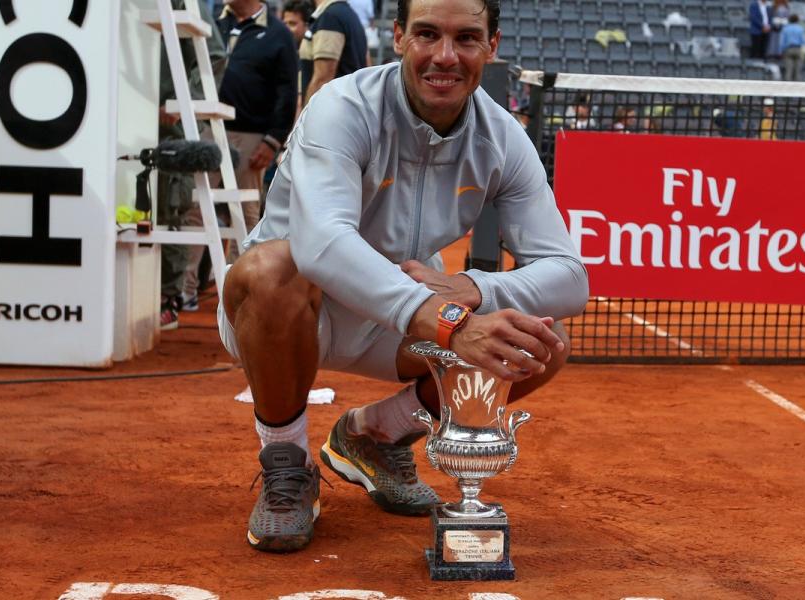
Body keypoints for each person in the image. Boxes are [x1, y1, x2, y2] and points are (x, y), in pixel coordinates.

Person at [219, 0, 589, 552]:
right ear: (397, 37)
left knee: (542, 339)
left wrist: (475, 289)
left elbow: (570, 277)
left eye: (466, 38)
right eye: (426, 34)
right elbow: (322, 245)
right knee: (272, 266)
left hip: (396, 325)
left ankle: (375, 436)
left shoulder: (504, 137)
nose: (445, 56)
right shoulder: (342, 106)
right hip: (286, 313)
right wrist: (449, 321)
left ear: (493, 45)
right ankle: (287, 466)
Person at [159, 0, 227, 327]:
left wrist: (184, 103)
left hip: (168, 120)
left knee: (171, 207)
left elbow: (214, 52)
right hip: (118, 113)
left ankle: (168, 296)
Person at [216, 0, 300, 258]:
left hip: (252, 136)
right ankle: (187, 290)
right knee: (195, 209)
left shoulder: (279, 33)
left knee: (245, 212)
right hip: (208, 127)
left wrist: (273, 140)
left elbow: (286, 91)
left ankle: (242, 285)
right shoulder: (216, 23)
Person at [300, 0, 368, 105]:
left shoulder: (330, 17)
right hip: (347, 108)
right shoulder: (351, 15)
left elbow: (322, 79)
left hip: (330, 111)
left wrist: (306, 118)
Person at [779, 14, 805, 81]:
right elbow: (803, 41)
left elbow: (782, 41)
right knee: (798, 71)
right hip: (798, 49)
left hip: (788, 49)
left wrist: (781, 51)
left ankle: (788, 88)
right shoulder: (800, 29)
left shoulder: (785, 29)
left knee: (788, 70)